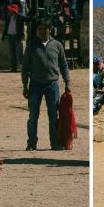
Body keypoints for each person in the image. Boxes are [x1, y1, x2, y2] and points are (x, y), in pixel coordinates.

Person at [22, 21, 71, 151]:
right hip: (35, 85)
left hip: (52, 85)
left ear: (50, 30)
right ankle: (31, 143)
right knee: (33, 116)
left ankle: (54, 143)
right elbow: (25, 67)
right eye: (40, 29)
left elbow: (64, 65)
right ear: (36, 31)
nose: (42, 32)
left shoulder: (57, 45)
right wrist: (24, 85)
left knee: (53, 116)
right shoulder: (31, 46)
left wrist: (67, 82)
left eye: (45, 29)